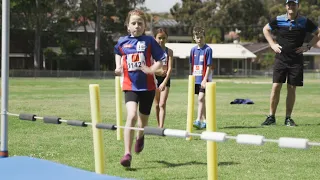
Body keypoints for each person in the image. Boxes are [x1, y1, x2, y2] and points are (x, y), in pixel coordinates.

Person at [114, 9, 166, 167]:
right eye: (133, 23)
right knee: (131, 116)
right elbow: (117, 51)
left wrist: (151, 69)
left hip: (148, 88)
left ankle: (140, 136)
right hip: (130, 86)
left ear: (145, 26)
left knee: (142, 122)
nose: (136, 26)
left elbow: (161, 59)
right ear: (128, 26)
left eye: (140, 23)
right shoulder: (122, 42)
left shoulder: (149, 41)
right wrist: (118, 67)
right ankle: (127, 154)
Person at [261, 0, 320, 126]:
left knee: (291, 88)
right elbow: (265, 29)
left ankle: (288, 118)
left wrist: (308, 46)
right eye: (289, 4)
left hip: (296, 60)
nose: (291, 6)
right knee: (276, 87)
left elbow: (318, 33)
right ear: (286, 6)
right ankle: (271, 117)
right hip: (281, 59)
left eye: (294, 4)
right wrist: (272, 44)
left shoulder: (304, 21)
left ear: (298, 6)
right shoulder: (279, 19)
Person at [190, 26, 213, 129]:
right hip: (196, 80)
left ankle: (198, 120)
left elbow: (209, 66)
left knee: (200, 98)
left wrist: (205, 79)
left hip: (204, 79)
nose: (199, 39)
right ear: (194, 38)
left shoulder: (208, 50)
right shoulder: (193, 50)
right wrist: (192, 78)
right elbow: (192, 65)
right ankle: (206, 121)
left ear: (205, 37)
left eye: (201, 37)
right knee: (201, 100)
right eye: (197, 37)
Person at [153, 28, 173, 128]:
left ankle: (161, 126)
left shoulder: (169, 52)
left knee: (162, 104)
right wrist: (157, 72)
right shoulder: (151, 52)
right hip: (154, 79)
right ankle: (158, 125)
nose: (161, 40)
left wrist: (164, 82)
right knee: (156, 105)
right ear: (155, 38)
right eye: (159, 38)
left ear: (167, 38)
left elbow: (170, 69)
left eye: (164, 38)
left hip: (165, 80)